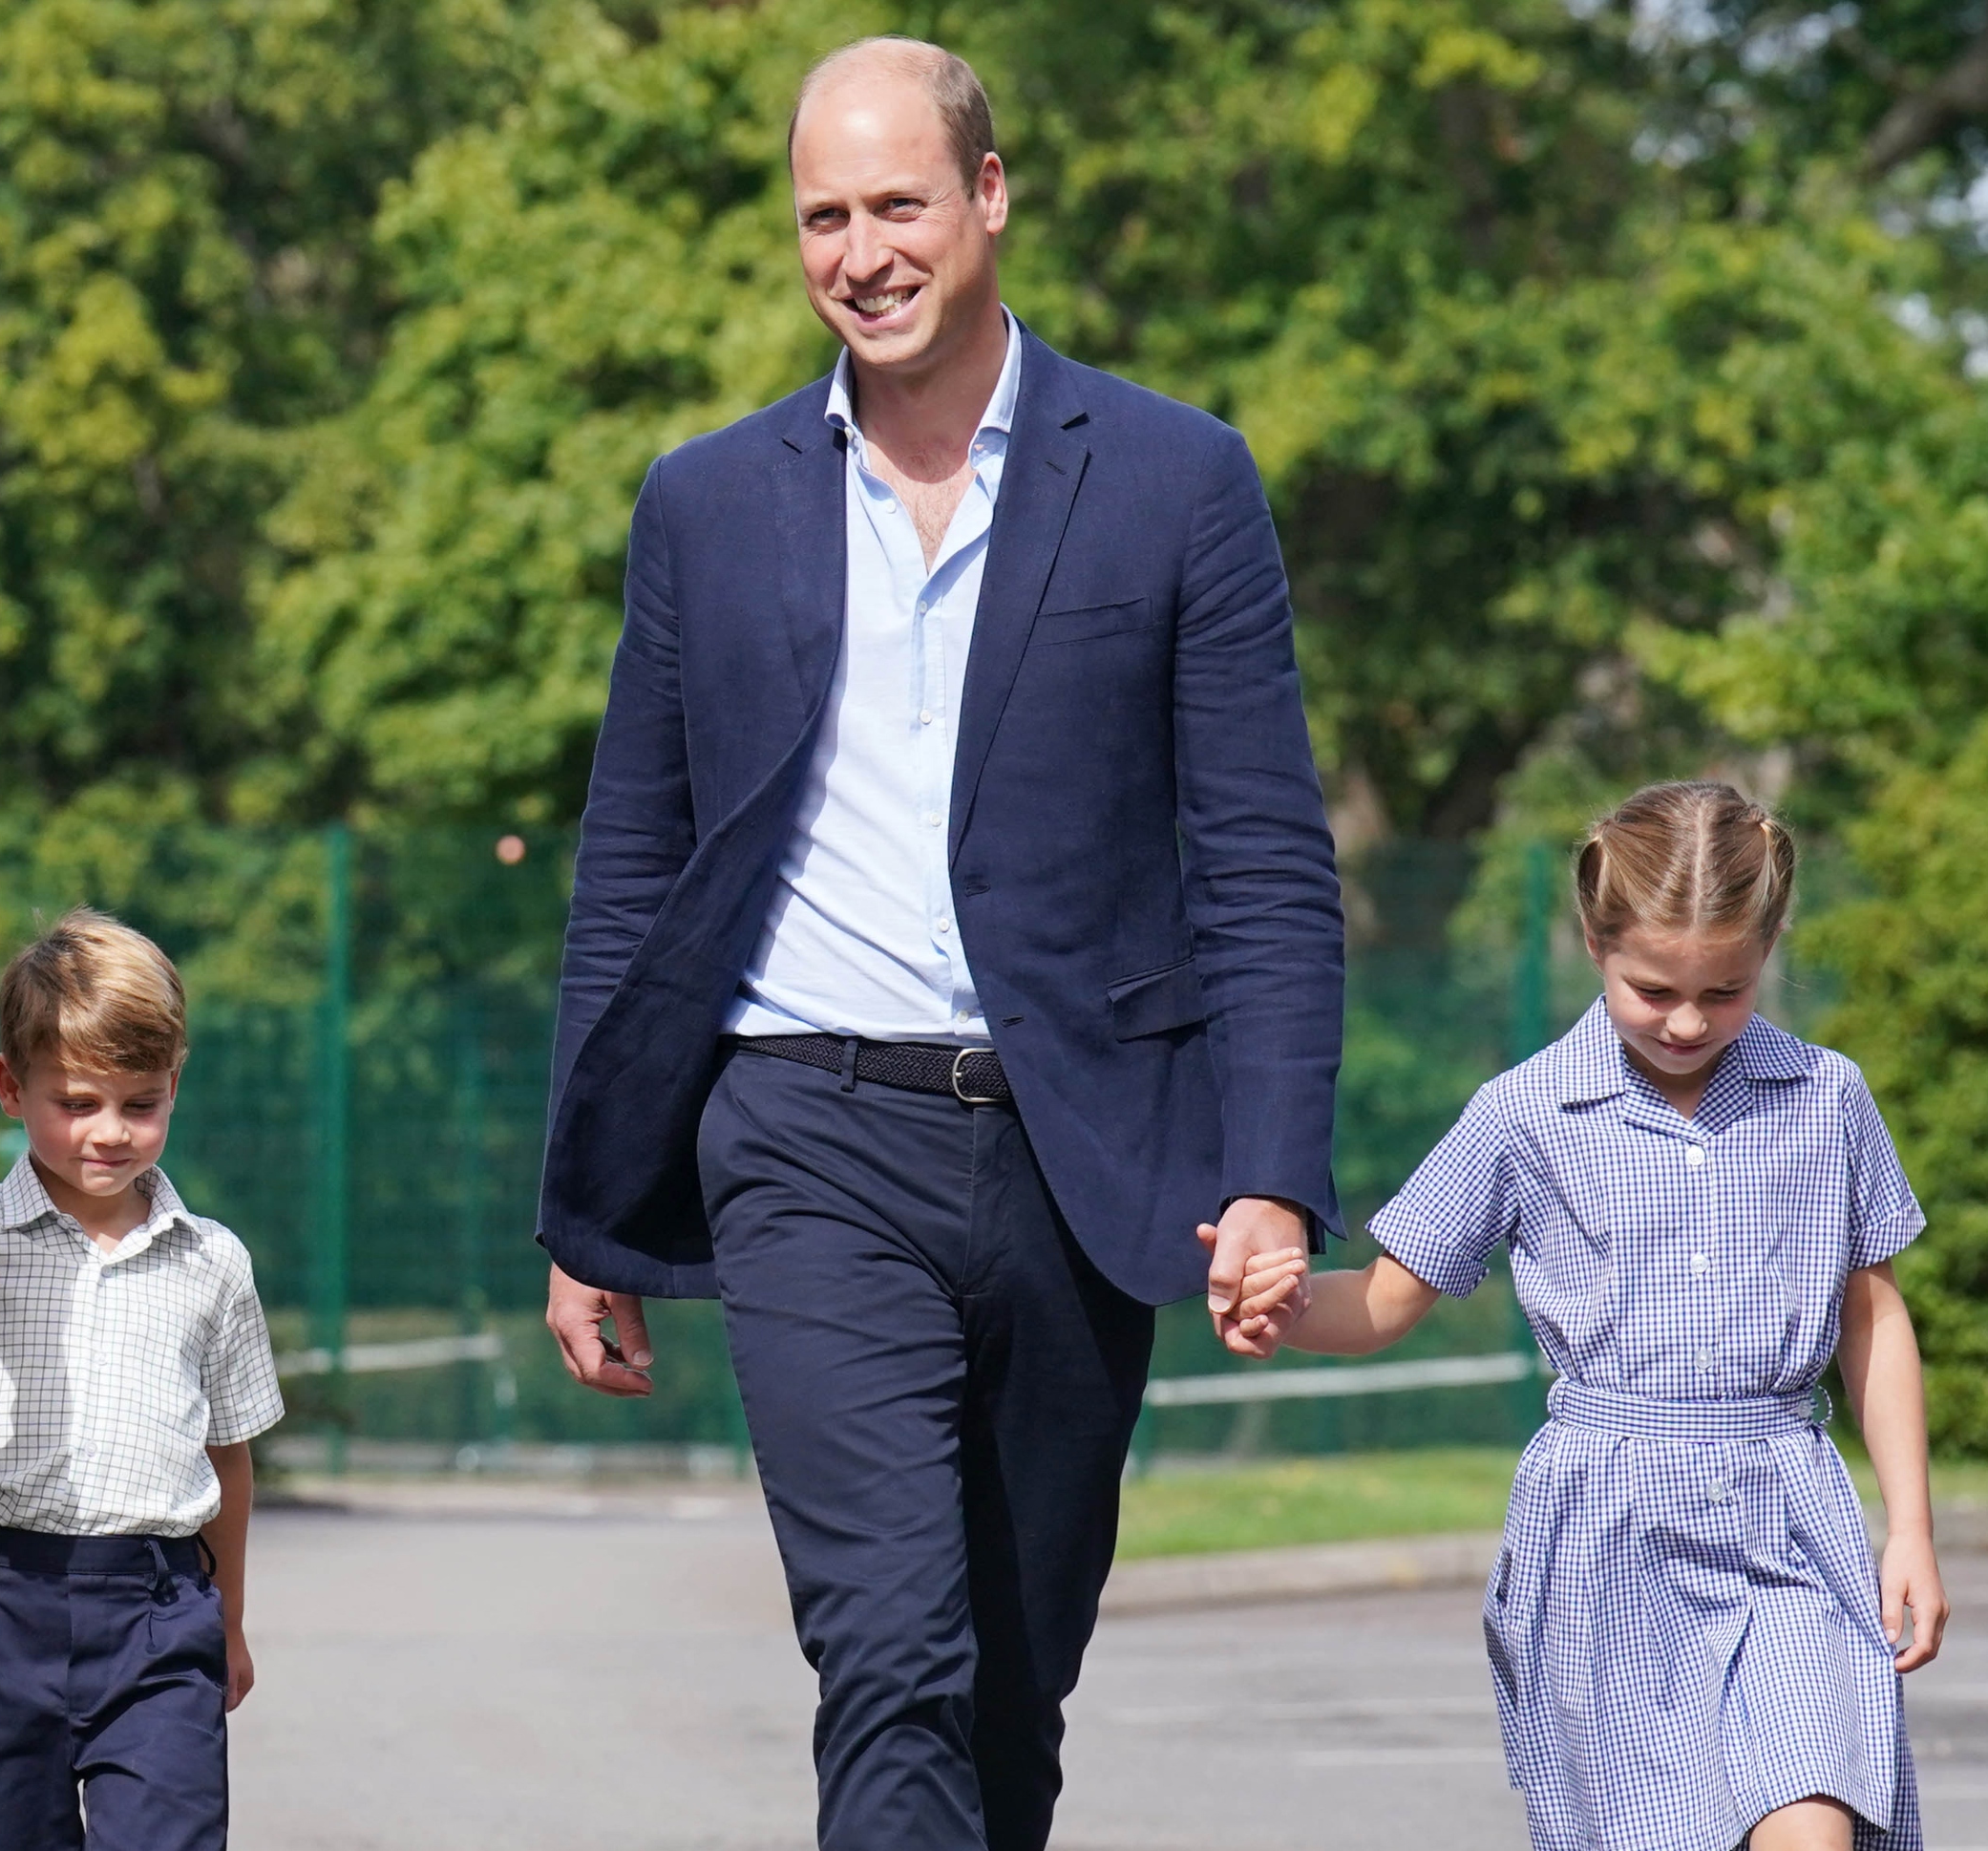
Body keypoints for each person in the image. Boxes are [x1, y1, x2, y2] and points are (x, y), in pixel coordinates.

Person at [536, 34, 1345, 1850]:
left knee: (1004, 1679)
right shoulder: (709, 503)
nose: (860, 251)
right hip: (804, 1132)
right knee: (890, 1650)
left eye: (897, 203)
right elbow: (635, 872)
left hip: (1081, 1153)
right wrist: (582, 1205)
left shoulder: (1173, 479)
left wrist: (1277, 1173)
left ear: (989, 199)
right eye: (824, 215)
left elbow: (1266, 865)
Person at [1228, 781, 1942, 1851]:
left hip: (1785, 1513)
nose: (1690, 1022)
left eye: (1728, 990)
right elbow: (1383, 1300)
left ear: (1770, 946)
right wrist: (1280, 1309)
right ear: (1592, 943)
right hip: (1606, 1534)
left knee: (1814, 1818)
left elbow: (1871, 1317)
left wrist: (1911, 1529)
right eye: (1653, 989)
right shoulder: (1522, 1113)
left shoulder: (1825, 1097)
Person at [0, 907, 282, 1851]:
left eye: (141, 1102)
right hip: (2, 1610)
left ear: (174, 1086)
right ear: (9, 1085)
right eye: (76, 1101)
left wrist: (229, 1627)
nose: (110, 1132)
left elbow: (229, 1462)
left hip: (163, 1620)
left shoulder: (211, 1262)